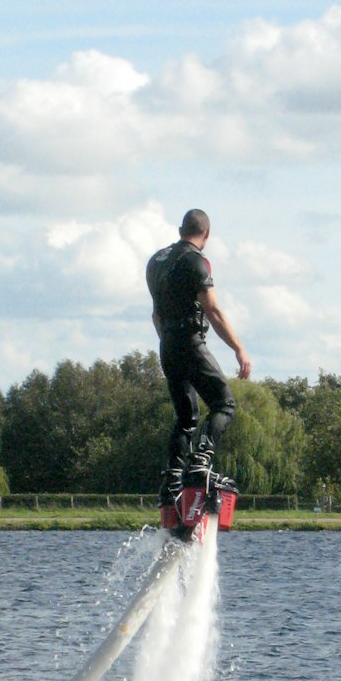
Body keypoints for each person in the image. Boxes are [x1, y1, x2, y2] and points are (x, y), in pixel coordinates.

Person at [146, 208, 252, 505]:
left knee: (186, 417)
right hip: (189, 341)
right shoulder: (197, 262)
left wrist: (169, 345)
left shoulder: (156, 262)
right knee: (224, 403)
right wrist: (238, 348)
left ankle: (171, 483)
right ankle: (200, 464)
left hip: (166, 343)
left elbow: (156, 313)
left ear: (181, 230)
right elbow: (213, 311)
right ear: (206, 235)